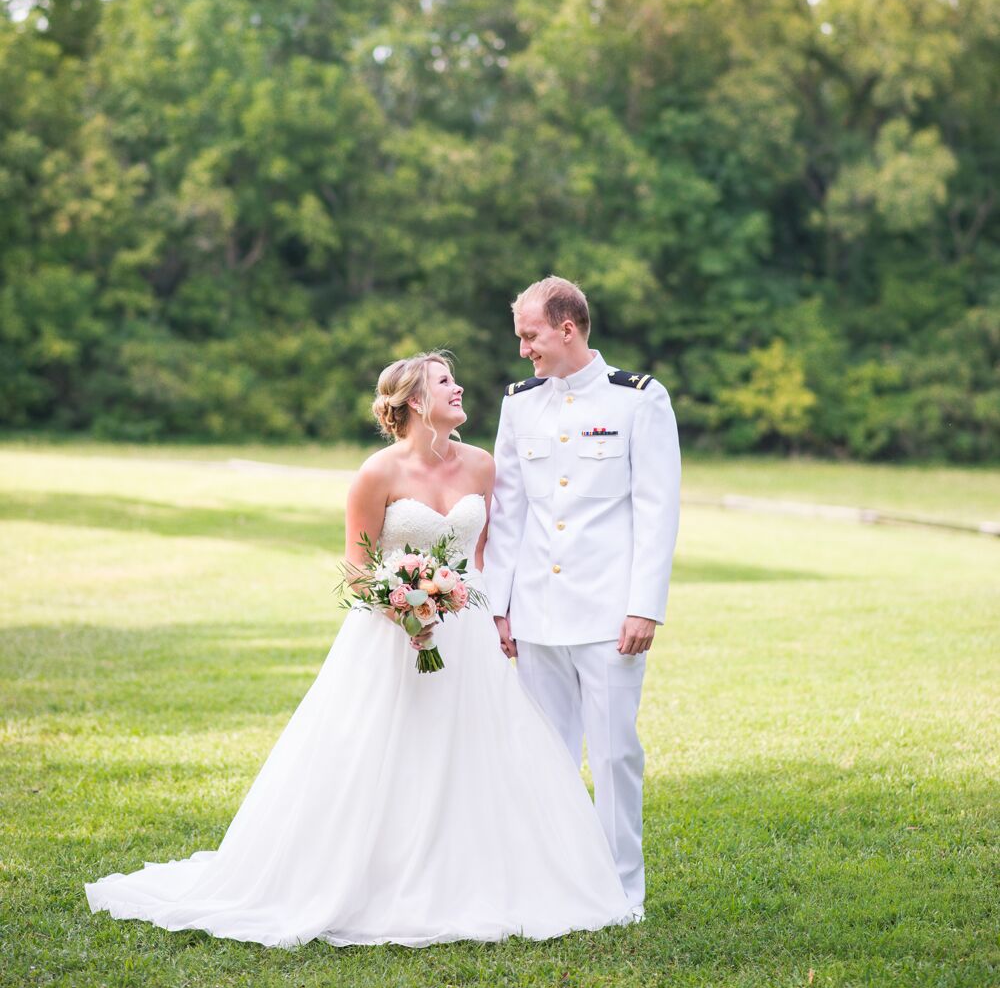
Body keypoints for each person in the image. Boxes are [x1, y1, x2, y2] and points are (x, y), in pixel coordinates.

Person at [85, 352, 633, 948]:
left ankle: (480, 874)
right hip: (391, 638)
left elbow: (486, 555)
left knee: (477, 749)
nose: (460, 388)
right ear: (416, 401)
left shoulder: (481, 466)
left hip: (469, 633)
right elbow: (356, 567)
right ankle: (370, 877)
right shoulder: (378, 473)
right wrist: (403, 606)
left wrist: (491, 611)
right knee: (381, 752)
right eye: (446, 382)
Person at [482, 277, 681, 917]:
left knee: (616, 752)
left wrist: (645, 605)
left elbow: (657, 509)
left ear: (567, 328)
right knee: (546, 755)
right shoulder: (519, 404)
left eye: (530, 336)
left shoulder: (639, 400)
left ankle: (622, 894)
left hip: (608, 614)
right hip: (537, 610)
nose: (523, 352)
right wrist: (499, 605)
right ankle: (553, 885)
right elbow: (509, 512)